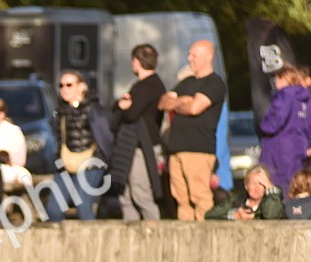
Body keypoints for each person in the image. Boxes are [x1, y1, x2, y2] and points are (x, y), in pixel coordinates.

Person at [158, 40, 227, 220]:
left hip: (198, 149)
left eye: (193, 55)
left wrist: (179, 103)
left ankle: (205, 239)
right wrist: (183, 100)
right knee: (181, 198)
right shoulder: (187, 82)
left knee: (199, 196)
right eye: (189, 54)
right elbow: (163, 102)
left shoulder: (215, 83)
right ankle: (185, 239)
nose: (189, 58)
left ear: (208, 57)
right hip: (176, 148)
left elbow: (195, 108)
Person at [45, 71, 112, 221]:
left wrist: (102, 162)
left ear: (82, 87)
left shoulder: (94, 109)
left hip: (90, 165)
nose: (64, 89)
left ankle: (90, 243)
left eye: (69, 85)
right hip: (66, 165)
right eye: (61, 85)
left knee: (83, 206)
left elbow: (105, 139)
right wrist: (58, 162)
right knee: (53, 209)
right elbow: (58, 141)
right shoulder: (60, 112)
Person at [110, 44, 165, 220]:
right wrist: (121, 105)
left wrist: (122, 106)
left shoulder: (151, 86)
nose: (132, 64)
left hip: (143, 148)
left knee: (141, 195)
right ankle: (132, 238)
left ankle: (154, 234)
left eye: (133, 60)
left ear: (138, 61)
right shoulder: (141, 85)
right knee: (125, 196)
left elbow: (131, 114)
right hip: (131, 147)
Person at [259, 65, 311, 196]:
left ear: (283, 78)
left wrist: (264, 126)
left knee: (277, 185)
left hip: (279, 148)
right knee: (295, 184)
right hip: (300, 147)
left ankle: (279, 212)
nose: (275, 83)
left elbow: (275, 120)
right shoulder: (306, 98)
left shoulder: (284, 95)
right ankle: (296, 211)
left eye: (276, 79)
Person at [0, 97, 31, 191]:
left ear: (1, 114)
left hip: (7, 168)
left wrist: (1, 154)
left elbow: (19, 160)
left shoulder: (13, 131)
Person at [206, 164, 284, 220]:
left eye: (261, 184)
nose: (256, 188)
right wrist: (234, 215)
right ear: (246, 185)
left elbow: (271, 215)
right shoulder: (235, 201)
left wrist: (272, 189)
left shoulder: (275, 201)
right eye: (253, 183)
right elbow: (210, 215)